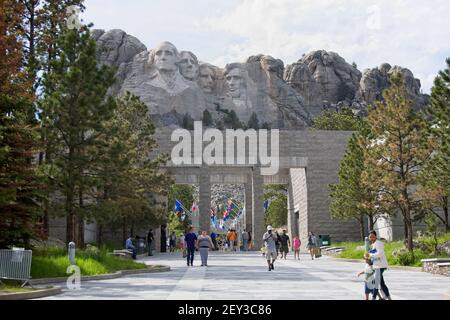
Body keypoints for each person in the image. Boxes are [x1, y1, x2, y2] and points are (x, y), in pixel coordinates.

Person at [365, 230, 391, 300]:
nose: (372, 238)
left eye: (373, 237)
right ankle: (389, 298)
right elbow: (373, 256)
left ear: (376, 236)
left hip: (380, 266)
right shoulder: (373, 244)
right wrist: (367, 258)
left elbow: (380, 254)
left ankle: (373, 298)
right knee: (381, 284)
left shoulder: (379, 243)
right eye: (370, 237)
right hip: (376, 266)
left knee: (375, 282)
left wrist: (370, 255)